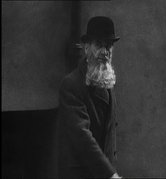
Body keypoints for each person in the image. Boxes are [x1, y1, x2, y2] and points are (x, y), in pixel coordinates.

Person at [57, 16, 122, 179]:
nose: (105, 52)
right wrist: (110, 174)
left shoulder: (107, 80)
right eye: (99, 45)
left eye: (109, 46)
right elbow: (82, 136)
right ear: (86, 48)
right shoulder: (71, 84)